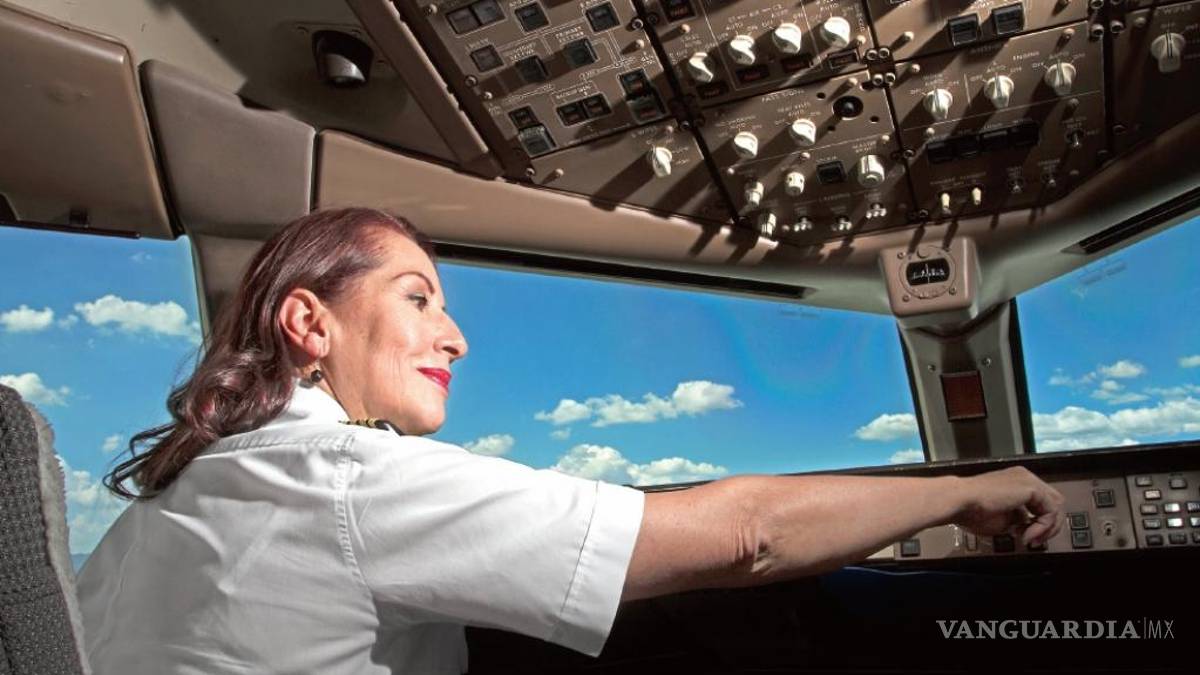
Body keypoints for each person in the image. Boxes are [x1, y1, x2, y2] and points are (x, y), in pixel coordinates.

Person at [77, 207, 1065, 674]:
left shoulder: (151, 517)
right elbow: (749, 537)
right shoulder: (346, 479)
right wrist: (961, 490)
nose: (454, 337)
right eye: (418, 298)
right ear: (310, 322)